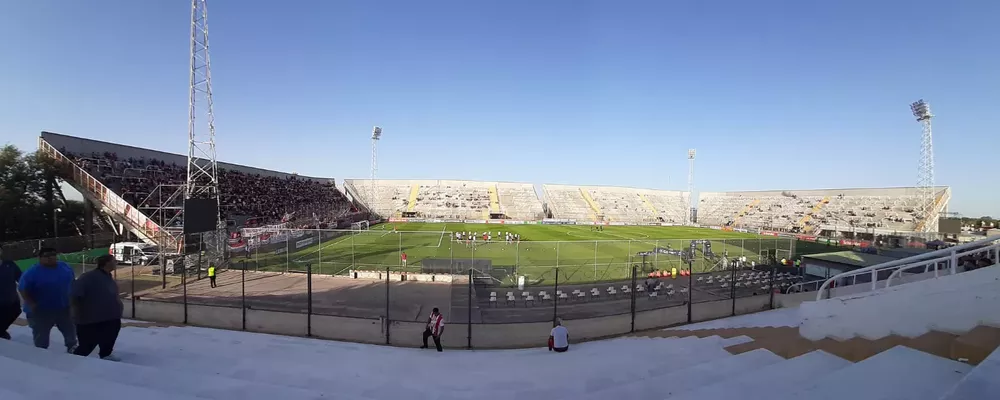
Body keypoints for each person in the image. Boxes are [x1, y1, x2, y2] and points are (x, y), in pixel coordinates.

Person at [18, 247, 77, 352]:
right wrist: (32, 304)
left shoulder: (65, 267)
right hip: (41, 310)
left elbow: (72, 282)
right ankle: (42, 352)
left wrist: (73, 302)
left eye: (53, 255)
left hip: (63, 307)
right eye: (46, 256)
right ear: (40, 258)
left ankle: (72, 347)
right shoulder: (32, 272)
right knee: (41, 335)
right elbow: (23, 289)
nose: (50, 258)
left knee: (70, 330)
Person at [71, 255, 123, 361]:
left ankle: (106, 354)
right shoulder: (88, 277)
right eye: (114, 261)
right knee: (87, 345)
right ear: (107, 263)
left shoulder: (108, 277)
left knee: (109, 337)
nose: (116, 263)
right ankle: (74, 362)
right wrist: (76, 313)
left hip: (111, 317)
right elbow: (75, 296)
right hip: (91, 319)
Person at [0, 248, 23, 340]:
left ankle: (1, 331)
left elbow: (21, 278)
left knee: (16, 312)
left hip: (12, 300)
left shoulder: (9, 264)